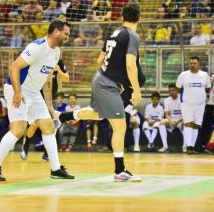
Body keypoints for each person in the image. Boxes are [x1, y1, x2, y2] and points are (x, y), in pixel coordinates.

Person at [56, 4, 143, 182]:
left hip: (100, 78)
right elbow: (130, 64)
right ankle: (120, 171)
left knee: (98, 115)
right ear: (139, 19)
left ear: (121, 18)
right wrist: (137, 91)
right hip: (108, 84)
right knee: (120, 127)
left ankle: (62, 117)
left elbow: (100, 59)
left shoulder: (114, 33)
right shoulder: (132, 36)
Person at [0, 20, 74, 181]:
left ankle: (55, 169)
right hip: (17, 88)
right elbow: (14, 67)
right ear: (56, 31)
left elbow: (47, 81)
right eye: (66, 33)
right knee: (19, 129)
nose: (68, 37)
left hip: (34, 92)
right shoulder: (37, 47)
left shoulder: (56, 52)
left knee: (48, 126)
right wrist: (18, 92)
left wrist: (50, 107)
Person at [21, 59, 69, 161]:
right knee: (34, 125)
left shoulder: (59, 62)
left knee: (51, 125)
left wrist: (59, 70)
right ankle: (26, 145)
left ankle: (47, 153)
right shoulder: (39, 60)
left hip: (53, 98)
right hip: (37, 98)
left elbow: (67, 79)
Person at [176, 57, 211, 154]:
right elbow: (178, 88)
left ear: (199, 64)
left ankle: (192, 147)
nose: (192, 65)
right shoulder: (183, 75)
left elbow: (208, 88)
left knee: (196, 125)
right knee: (188, 124)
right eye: (191, 63)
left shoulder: (204, 75)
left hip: (200, 104)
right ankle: (188, 147)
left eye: (195, 63)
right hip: (187, 104)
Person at [162, 84, 184, 152]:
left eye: (173, 90)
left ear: (177, 90)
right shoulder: (166, 100)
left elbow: (186, 114)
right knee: (162, 122)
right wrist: (171, 120)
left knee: (187, 123)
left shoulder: (182, 98)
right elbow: (167, 114)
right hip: (172, 121)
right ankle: (165, 146)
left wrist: (179, 121)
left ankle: (185, 147)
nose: (172, 92)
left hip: (181, 120)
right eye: (170, 91)